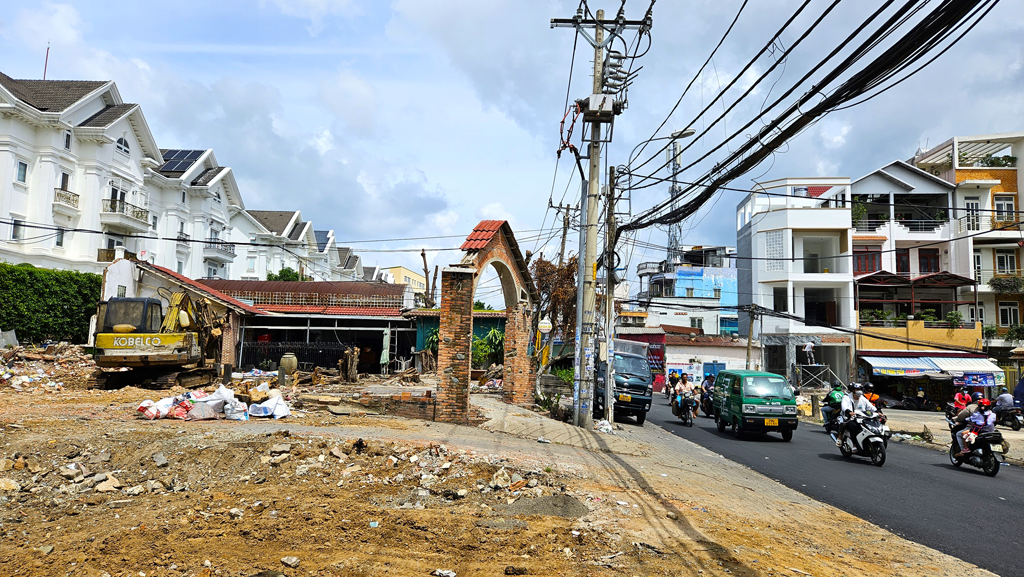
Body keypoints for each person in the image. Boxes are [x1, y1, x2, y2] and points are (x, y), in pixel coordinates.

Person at [838, 383, 877, 450]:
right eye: (857, 389)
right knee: (853, 427)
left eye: (860, 389)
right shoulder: (847, 397)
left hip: (862, 417)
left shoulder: (863, 398)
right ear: (853, 390)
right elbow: (844, 406)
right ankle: (854, 444)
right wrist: (849, 412)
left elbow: (870, 407)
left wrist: (877, 411)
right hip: (849, 417)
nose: (859, 391)